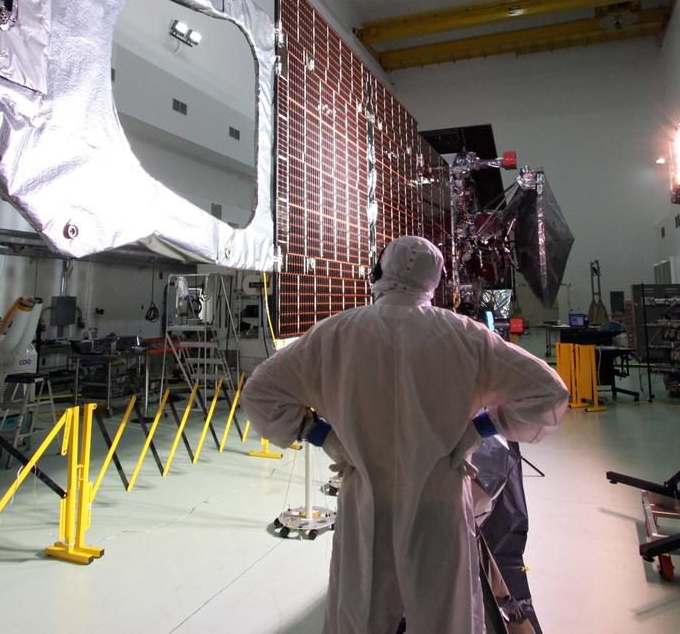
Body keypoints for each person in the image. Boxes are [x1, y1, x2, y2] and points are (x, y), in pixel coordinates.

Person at [241, 236, 568, 634]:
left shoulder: (337, 334)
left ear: (380, 272)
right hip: (439, 502)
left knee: (359, 614)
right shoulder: (465, 336)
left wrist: (323, 436)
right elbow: (549, 392)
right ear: (436, 281)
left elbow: (260, 393)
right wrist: (478, 431)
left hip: (366, 504)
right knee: (445, 616)